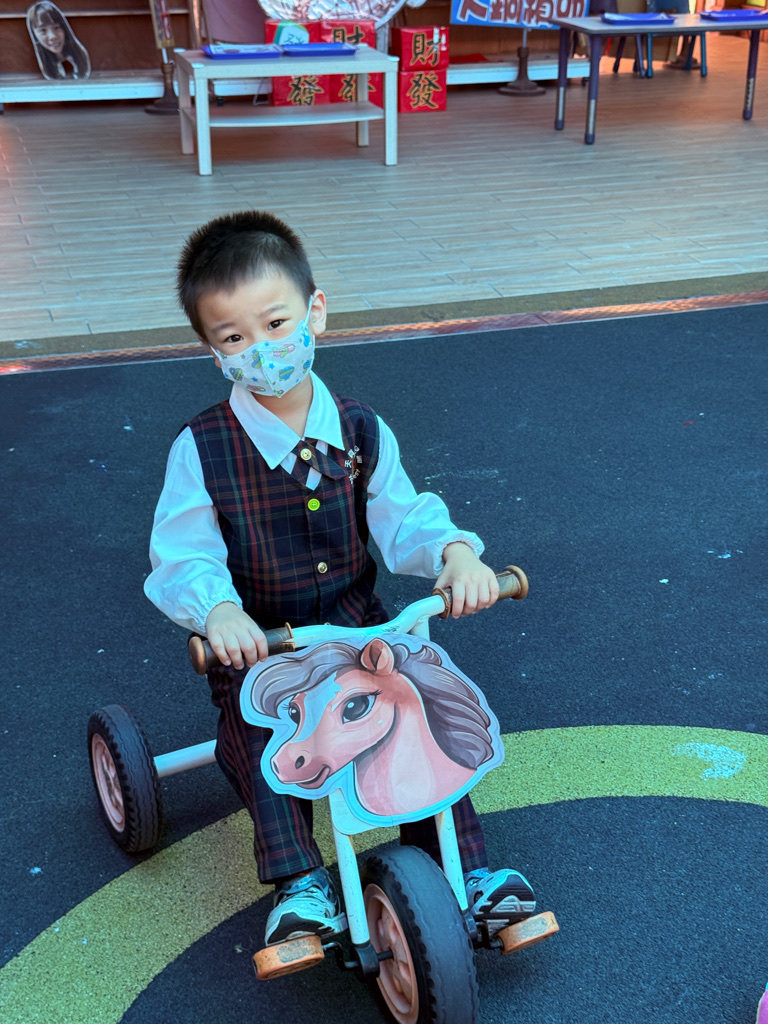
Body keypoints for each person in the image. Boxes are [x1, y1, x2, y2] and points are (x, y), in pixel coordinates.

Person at [144, 210, 537, 948]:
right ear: (213, 352)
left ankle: (467, 870)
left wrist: (455, 555)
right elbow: (183, 553)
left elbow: (403, 515)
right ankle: (299, 880)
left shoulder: (359, 428)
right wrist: (218, 611)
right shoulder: (202, 448)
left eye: (275, 323)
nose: (262, 349)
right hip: (262, 645)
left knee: (417, 699)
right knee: (259, 731)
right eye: (235, 338)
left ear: (314, 312)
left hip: (359, 633)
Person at [27, 2, 91, 81]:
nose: (52, 36)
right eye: (43, 30)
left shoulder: (80, 58)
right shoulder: (34, 64)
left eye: (56, 27)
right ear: (34, 35)